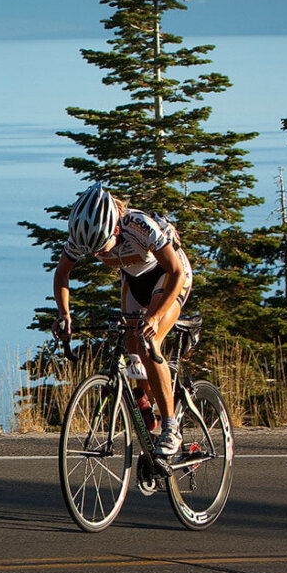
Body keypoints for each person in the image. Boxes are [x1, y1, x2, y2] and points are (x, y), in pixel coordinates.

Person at [51, 183, 193, 455]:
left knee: (150, 344)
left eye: (101, 247)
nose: (97, 254)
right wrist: (65, 315)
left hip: (169, 276)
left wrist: (156, 316)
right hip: (135, 280)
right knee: (133, 358)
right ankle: (146, 405)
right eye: (92, 251)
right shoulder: (82, 236)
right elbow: (61, 275)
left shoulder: (141, 226)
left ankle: (170, 427)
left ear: (115, 229)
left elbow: (175, 271)